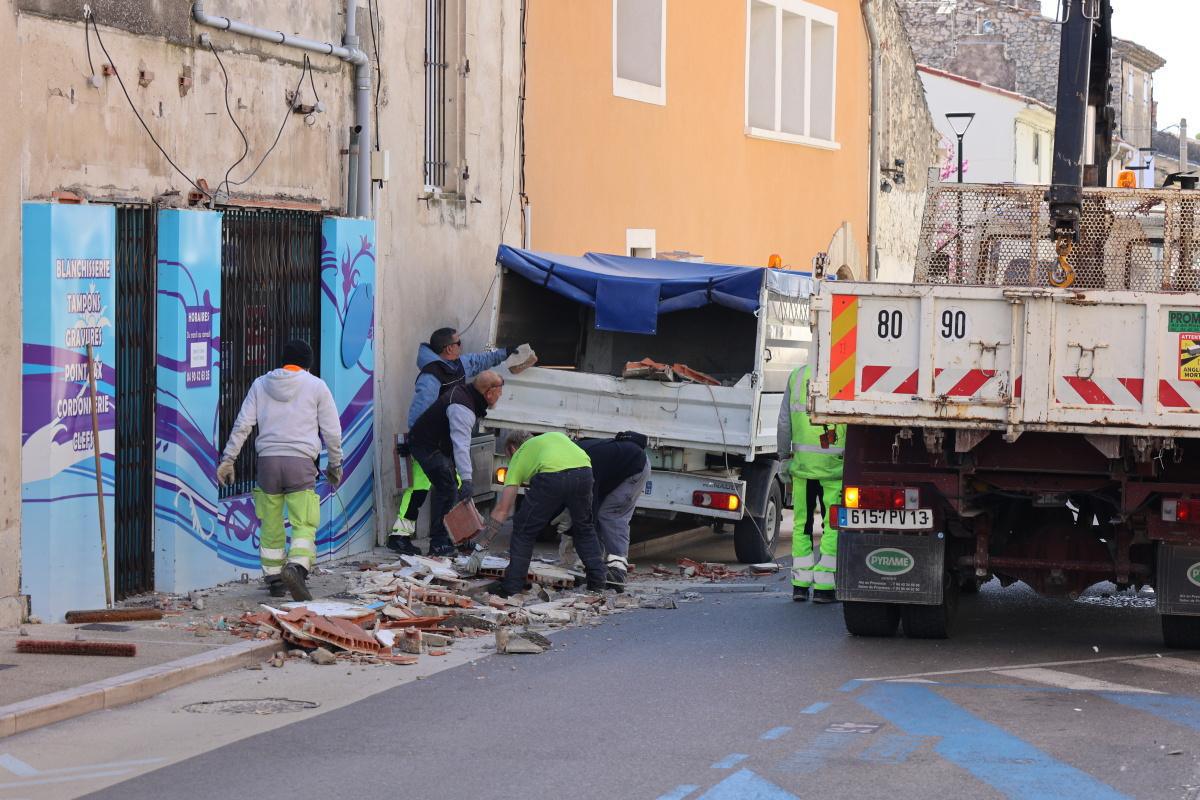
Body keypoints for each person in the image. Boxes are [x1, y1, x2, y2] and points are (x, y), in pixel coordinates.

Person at [217, 339, 342, 602]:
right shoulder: (316, 386)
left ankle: (274, 579)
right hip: (301, 463)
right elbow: (332, 430)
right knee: (303, 521)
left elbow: (243, 424)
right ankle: (296, 567)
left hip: (268, 463)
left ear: (283, 360)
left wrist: (229, 459)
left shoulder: (260, 384)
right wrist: (335, 463)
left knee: (270, 521)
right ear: (308, 364)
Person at [388, 328, 514, 556]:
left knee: (451, 488)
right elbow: (420, 409)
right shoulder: (432, 375)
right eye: (459, 343)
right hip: (428, 441)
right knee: (423, 490)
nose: (461, 347)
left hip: (440, 441)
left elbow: (480, 361)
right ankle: (402, 536)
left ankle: (454, 537)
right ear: (448, 348)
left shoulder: (456, 366)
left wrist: (506, 352)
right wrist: (413, 439)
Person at [488, 431, 608, 597]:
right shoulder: (555, 436)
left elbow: (503, 509)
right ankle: (597, 583)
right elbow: (567, 469)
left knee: (524, 529)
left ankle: (512, 587)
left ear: (512, 449)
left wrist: (482, 545)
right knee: (584, 528)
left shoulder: (519, 454)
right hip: (584, 472)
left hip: (551, 476)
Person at [408, 371, 505, 556]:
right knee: (447, 490)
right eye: (499, 391)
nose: (500, 395)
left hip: (434, 446)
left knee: (452, 489)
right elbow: (461, 445)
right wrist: (467, 480)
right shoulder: (462, 408)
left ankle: (456, 539)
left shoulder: (467, 396)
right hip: (427, 446)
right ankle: (438, 544)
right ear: (489, 392)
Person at [777, 364, 845, 603]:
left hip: (803, 466)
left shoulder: (797, 375)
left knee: (802, 525)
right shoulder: (845, 371)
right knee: (832, 526)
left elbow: (784, 422)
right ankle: (825, 587)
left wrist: (783, 456)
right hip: (834, 468)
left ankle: (800, 585)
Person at [577, 431, 651, 589]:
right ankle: (595, 567)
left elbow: (590, 502)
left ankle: (618, 572)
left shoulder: (582, 463)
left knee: (611, 515)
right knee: (593, 516)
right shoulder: (576, 456)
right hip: (623, 467)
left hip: (636, 467)